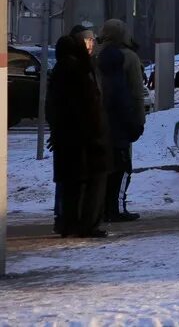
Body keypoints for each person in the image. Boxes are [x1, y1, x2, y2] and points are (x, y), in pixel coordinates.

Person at [46, 34, 110, 238]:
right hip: (86, 140)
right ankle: (88, 225)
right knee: (93, 183)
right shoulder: (82, 71)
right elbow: (91, 107)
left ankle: (68, 224)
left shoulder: (58, 71)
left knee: (69, 186)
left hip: (65, 139)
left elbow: (52, 108)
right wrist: (98, 134)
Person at [96, 18, 147, 223]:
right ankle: (116, 207)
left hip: (97, 121)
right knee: (123, 166)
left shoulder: (95, 55)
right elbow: (136, 93)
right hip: (120, 121)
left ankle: (101, 208)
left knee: (105, 167)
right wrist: (138, 121)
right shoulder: (130, 58)